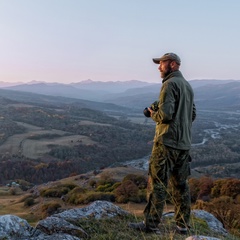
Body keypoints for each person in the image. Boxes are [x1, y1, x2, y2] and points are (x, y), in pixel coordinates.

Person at [128, 52, 196, 234]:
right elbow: (193, 114)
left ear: (173, 65)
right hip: (184, 145)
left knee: (157, 184)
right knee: (181, 186)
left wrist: (152, 113)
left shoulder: (169, 84)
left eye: (162, 63)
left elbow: (165, 115)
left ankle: (150, 225)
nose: (159, 67)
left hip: (166, 143)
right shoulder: (187, 87)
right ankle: (183, 226)